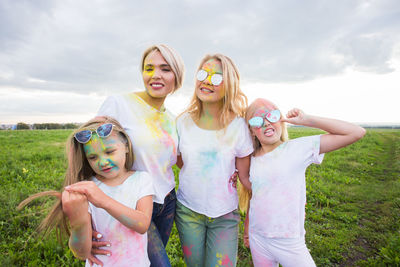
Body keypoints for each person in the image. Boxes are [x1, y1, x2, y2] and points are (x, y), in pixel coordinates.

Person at [241, 98, 366, 267]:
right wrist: (247, 230)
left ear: (281, 120)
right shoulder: (253, 159)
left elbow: (356, 132)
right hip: (259, 239)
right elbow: (256, 196)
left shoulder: (298, 148)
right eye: (257, 120)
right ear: (251, 130)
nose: (266, 123)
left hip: (289, 241)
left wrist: (307, 120)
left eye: (272, 116)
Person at [91, 44, 185, 266]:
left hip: (167, 201)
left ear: (177, 76)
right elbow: (92, 153)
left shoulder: (173, 120)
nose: (155, 75)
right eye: (149, 68)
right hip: (133, 202)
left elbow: (176, 161)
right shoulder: (119, 104)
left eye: (165, 69)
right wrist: (87, 218)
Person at [18, 116, 154, 266]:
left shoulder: (141, 179)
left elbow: (142, 224)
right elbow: (81, 253)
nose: (103, 162)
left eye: (109, 151)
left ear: (126, 146)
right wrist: (78, 223)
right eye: (93, 157)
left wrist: (103, 200)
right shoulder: (85, 190)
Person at [175, 53, 254, 267]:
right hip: (188, 211)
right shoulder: (182, 122)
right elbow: (182, 163)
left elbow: (245, 176)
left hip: (224, 214)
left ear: (229, 84)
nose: (207, 81)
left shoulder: (238, 126)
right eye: (203, 74)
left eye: (217, 77)